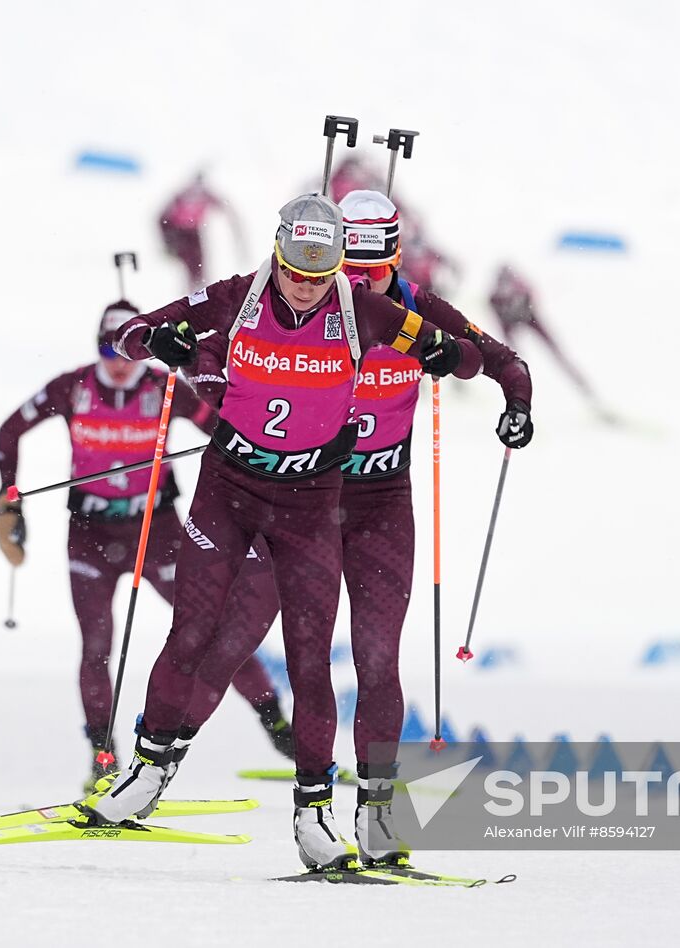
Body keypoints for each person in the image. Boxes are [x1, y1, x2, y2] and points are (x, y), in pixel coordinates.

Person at [86, 192, 483, 870]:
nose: (303, 286)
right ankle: (146, 774)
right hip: (229, 491)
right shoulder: (236, 296)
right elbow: (128, 335)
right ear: (276, 256)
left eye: (317, 273)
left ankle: (315, 817)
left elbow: (463, 356)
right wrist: (160, 340)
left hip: (310, 502)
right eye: (293, 270)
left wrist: (448, 354)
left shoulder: (365, 311)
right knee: (191, 631)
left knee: (308, 660)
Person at [172, 189, 533, 867]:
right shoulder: (310, 302)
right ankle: (149, 769)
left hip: (376, 506)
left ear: (394, 258)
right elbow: (223, 360)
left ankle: (376, 813)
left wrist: (517, 407)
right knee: (226, 640)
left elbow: (503, 361)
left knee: (375, 662)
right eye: (346, 267)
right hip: (296, 496)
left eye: (368, 270)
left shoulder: (415, 312)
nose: (352, 283)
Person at [0, 300, 293, 786]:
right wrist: (9, 499)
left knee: (209, 632)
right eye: (107, 349)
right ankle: (102, 756)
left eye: (126, 350)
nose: (117, 362)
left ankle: (278, 725)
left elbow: (222, 427)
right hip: (90, 533)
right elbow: (10, 431)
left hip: (157, 532)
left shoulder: (165, 385)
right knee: (96, 645)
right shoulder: (73, 386)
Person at [489, 263, 613, 420]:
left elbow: (533, 301)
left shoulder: (521, 288)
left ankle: (589, 394)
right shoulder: (494, 298)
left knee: (558, 355)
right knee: (513, 363)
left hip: (529, 317)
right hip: (514, 320)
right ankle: (516, 404)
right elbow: (501, 326)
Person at [157, 172, 243, 291]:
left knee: (198, 264)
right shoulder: (182, 195)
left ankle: (199, 290)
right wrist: (168, 241)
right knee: (192, 264)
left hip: (192, 232)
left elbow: (225, 207)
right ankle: (194, 292)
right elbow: (162, 218)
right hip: (179, 233)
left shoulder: (204, 194)